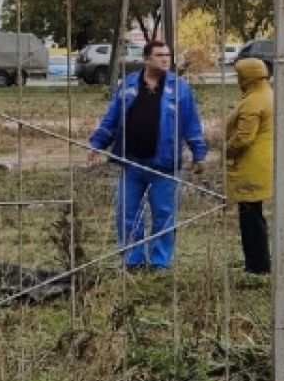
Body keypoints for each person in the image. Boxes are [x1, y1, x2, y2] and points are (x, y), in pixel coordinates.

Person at [88, 41, 207, 270]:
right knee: (127, 213)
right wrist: (97, 143)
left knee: (163, 215)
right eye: (159, 55)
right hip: (132, 162)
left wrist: (198, 154)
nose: (165, 60)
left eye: (168, 55)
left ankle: (159, 262)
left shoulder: (180, 88)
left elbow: (192, 123)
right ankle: (132, 260)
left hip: (164, 165)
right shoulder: (128, 84)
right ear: (147, 59)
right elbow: (112, 118)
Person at [225, 57, 273, 275]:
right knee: (254, 215)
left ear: (247, 77)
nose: (238, 80)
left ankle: (257, 266)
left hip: (250, 165)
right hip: (262, 163)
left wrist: (226, 149)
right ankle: (257, 263)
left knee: (250, 218)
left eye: (239, 76)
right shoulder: (266, 94)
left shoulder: (253, 101)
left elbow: (244, 138)